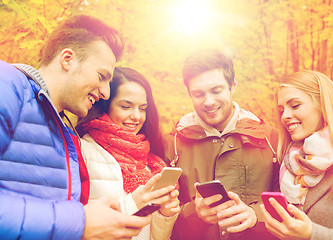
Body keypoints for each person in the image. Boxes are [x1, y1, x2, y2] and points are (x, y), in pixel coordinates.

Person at [0, 15, 151, 239]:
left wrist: (130, 205)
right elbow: (71, 221)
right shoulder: (8, 83)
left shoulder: (67, 133)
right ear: (68, 59)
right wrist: (79, 222)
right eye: (101, 76)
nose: (105, 93)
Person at [164, 49, 279, 239]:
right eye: (198, 94)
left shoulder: (271, 139)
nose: (209, 102)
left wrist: (255, 215)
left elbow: (293, 204)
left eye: (216, 91)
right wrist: (194, 212)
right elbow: (160, 218)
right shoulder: (171, 143)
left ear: (232, 85)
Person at [76, 67, 181, 239]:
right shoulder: (84, 151)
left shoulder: (151, 161)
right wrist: (134, 203)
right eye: (126, 106)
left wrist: (165, 215)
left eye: (143, 108)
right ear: (106, 106)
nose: (136, 116)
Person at [260, 70, 333, 239]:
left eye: (295, 105)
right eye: (281, 110)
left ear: (323, 104)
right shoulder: (287, 163)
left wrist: (312, 234)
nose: (285, 116)